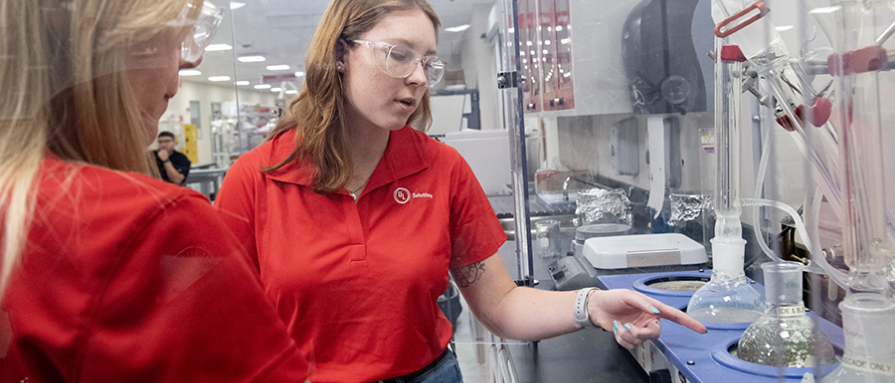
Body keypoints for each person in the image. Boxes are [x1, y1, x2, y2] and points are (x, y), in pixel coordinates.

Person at [213, 0, 707, 382]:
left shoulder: (439, 169)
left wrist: (590, 306)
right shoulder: (258, 179)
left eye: (427, 62)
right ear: (341, 54)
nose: (416, 77)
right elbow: (220, 331)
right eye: (397, 55)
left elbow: (502, 305)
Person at [0, 0, 312, 381]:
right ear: (123, 35)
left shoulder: (21, 205)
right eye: (180, 30)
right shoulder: (146, 225)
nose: (188, 61)